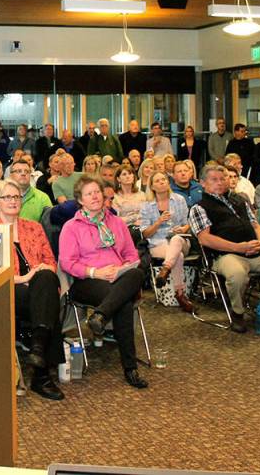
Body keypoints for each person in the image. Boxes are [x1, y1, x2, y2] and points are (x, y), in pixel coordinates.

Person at [59, 176, 149, 389]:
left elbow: (130, 254)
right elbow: (67, 263)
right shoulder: (71, 227)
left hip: (119, 277)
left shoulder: (116, 222)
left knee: (136, 273)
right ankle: (130, 368)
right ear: (80, 200)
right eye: (89, 194)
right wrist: (95, 272)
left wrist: (121, 268)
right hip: (87, 281)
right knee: (123, 301)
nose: (95, 197)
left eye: (97, 192)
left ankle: (100, 315)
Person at [189, 163, 260, 333]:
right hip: (226, 256)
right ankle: (237, 313)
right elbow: (205, 239)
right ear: (202, 183)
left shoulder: (240, 200)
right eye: (214, 179)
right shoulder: (199, 207)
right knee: (237, 275)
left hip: (256, 251)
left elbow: (257, 226)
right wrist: (238, 247)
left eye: (223, 178)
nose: (220, 182)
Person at [0, 179, 65, 400]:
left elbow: (50, 261)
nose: (14, 201)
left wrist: (41, 271)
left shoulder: (33, 227)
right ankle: (41, 373)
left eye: (17, 197)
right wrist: (24, 277)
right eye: (8, 197)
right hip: (8, 289)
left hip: (38, 287)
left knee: (45, 278)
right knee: (46, 300)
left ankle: (37, 347)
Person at [139, 171, 195, 312]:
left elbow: (188, 223)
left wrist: (182, 229)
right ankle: (180, 295)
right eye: (157, 181)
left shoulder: (179, 199)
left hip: (181, 240)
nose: (162, 182)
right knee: (178, 256)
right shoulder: (147, 206)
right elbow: (145, 233)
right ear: (152, 186)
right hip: (158, 242)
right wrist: (158, 222)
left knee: (176, 240)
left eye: (163, 179)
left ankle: (165, 270)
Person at [112, 164, 146, 228]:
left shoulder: (142, 194)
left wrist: (128, 218)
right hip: (123, 229)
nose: (128, 176)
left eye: (130, 174)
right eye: (124, 174)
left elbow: (147, 214)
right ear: (118, 179)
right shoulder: (115, 197)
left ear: (133, 177)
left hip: (143, 228)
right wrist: (135, 218)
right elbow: (116, 219)